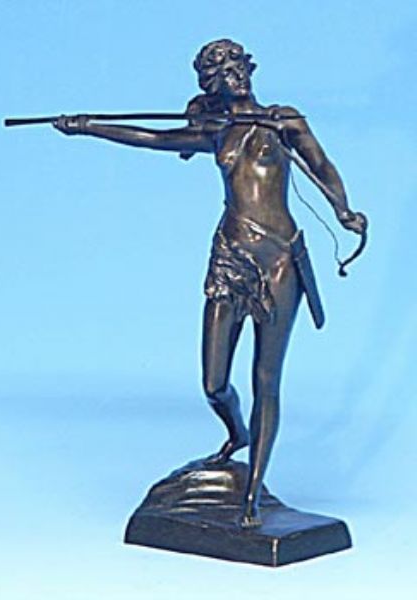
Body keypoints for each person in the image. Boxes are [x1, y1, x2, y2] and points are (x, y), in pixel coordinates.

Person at [54, 39, 366, 528]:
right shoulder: (215, 131)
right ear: (210, 84)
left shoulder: (283, 120)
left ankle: (252, 495)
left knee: (266, 379)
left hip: (279, 259)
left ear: (249, 69)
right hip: (230, 257)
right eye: (221, 71)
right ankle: (238, 434)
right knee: (214, 383)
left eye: (237, 65)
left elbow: (322, 166)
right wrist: (88, 126)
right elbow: (152, 138)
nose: (233, 74)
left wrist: (343, 210)